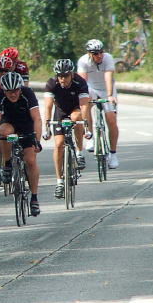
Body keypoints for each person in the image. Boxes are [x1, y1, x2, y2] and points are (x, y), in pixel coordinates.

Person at [0, 70, 42, 216]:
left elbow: (37, 118)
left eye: (16, 91)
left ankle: (34, 198)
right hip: (9, 124)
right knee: (3, 131)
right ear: (4, 90)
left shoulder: (28, 94)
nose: (13, 94)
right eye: (9, 92)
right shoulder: (0, 96)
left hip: (26, 126)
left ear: (20, 88)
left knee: (30, 161)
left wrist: (37, 141)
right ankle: (7, 164)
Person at [42, 58, 90, 199]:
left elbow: (84, 105)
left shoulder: (80, 82)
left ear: (72, 74)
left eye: (65, 76)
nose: (62, 79)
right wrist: (47, 126)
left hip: (75, 109)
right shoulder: (52, 83)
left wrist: (86, 124)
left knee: (77, 118)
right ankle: (59, 182)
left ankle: (79, 153)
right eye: (60, 76)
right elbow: (48, 106)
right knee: (58, 145)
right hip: (60, 112)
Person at [76, 38, 120, 167]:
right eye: (95, 53)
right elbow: (83, 83)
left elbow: (108, 77)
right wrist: (85, 99)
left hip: (107, 89)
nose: (99, 55)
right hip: (91, 88)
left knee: (111, 120)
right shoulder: (83, 61)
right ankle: (90, 135)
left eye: (101, 52)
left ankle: (113, 154)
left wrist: (110, 95)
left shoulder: (108, 58)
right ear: (89, 53)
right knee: (86, 102)